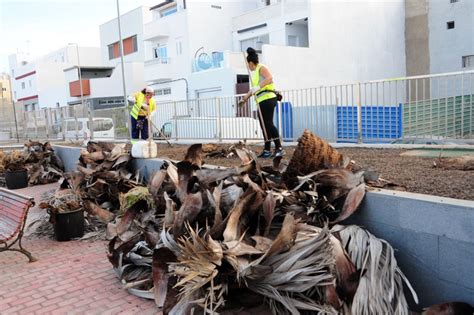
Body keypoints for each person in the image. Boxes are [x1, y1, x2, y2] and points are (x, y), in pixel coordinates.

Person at [239, 47, 284, 158]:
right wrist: (244, 99)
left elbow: (269, 78)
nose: (248, 67)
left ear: (250, 62)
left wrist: (258, 87)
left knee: (268, 123)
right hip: (260, 101)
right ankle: (267, 149)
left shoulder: (261, 68)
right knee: (264, 126)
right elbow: (253, 90)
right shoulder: (255, 75)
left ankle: (279, 148)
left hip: (268, 98)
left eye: (248, 64)